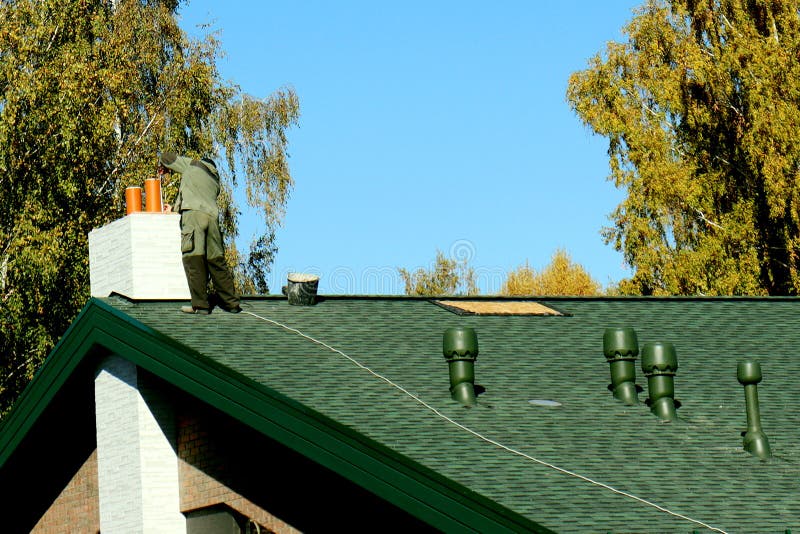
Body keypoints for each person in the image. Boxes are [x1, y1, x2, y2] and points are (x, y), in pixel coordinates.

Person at [158, 152, 241, 315]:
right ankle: (232, 303)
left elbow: (167, 157)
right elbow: (197, 195)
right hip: (212, 219)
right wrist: (174, 208)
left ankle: (200, 305)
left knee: (193, 258)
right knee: (216, 261)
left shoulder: (194, 164)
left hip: (194, 217)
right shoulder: (215, 180)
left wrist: (163, 165)